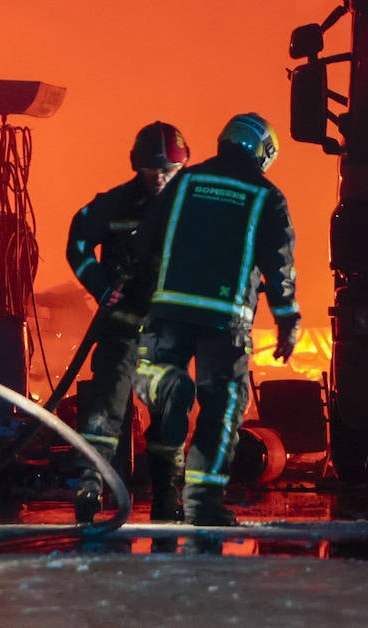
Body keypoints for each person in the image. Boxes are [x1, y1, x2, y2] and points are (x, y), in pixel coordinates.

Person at [127, 112, 302, 533]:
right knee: (221, 409)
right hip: (225, 321)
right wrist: (287, 319)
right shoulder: (266, 197)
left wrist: (134, 296)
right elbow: (278, 266)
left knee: (169, 402)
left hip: (167, 313)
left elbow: (147, 237)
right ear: (265, 151)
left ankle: (166, 497)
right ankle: (203, 503)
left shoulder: (183, 182)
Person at [65, 120, 190, 523]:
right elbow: (78, 242)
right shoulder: (113, 204)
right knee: (104, 412)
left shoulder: (194, 208)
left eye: (169, 171)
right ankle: (89, 487)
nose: (160, 179)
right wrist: (100, 285)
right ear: (137, 166)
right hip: (120, 329)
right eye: (153, 171)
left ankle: (167, 495)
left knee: (169, 418)